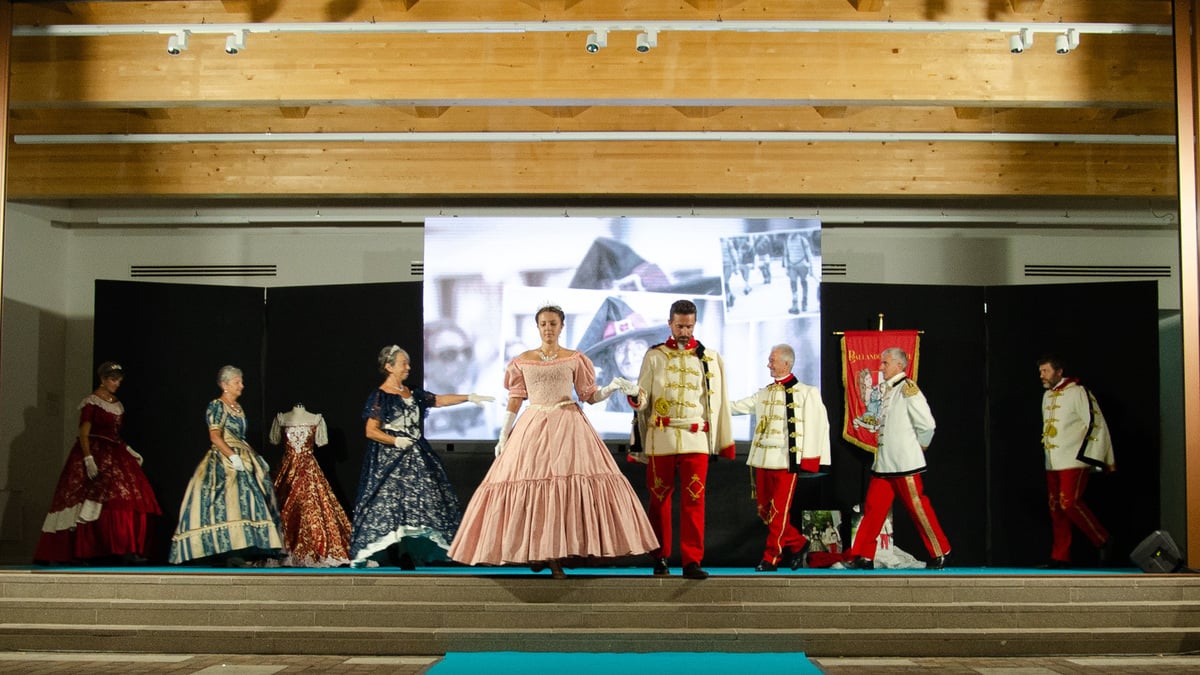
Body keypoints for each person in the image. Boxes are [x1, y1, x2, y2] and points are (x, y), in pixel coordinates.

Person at [448, 305, 658, 578]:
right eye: (544, 324)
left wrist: (611, 388)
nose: (548, 328)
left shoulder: (575, 358)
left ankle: (556, 555)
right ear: (538, 327)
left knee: (563, 486)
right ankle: (538, 551)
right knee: (533, 485)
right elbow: (515, 398)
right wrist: (503, 434)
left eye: (553, 324)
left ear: (561, 326)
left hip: (568, 425)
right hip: (533, 427)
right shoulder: (523, 360)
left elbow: (589, 395)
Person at [350, 345, 493, 569]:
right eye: (403, 363)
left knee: (423, 501)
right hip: (390, 461)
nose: (408, 367)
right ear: (389, 367)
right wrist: (395, 441)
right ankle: (382, 553)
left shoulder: (413, 393)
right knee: (389, 504)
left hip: (417, 457)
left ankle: (409, 552)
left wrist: (468, 397)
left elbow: (438, 400)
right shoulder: (381, 396)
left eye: (408, 363)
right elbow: (371, 430)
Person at [628, 299, 735, 580]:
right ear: (670, 324)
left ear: (694, 324)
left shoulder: (709, 358)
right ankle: (660, 557)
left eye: (689, 326)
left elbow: (718, 402)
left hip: (695, 439)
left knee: (694, 499)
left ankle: (692, 561)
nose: (684, 331)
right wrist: (635, 397)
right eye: (679, 326)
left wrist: (720, 439)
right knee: (659, 500)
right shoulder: (654, 356)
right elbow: (643, 398)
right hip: (661, 438)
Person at [34, 361, 161, 565]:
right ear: (103, 379)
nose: (117, 383)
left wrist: (129, 450)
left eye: (119, 380)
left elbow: (115, 435)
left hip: (114, 452)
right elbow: (84, 433)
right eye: (113, 379)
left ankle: (124, 548)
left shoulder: (117, 404)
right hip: (94, 451)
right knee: (84, 497)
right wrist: (88, 458)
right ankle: (79, 551)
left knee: (127, 496)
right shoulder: (92, 402)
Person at [844, 347, 951, 570]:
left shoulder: (907, 389)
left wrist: (917, 449)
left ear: (899, 365)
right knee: (873, 511)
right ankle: (863, 555)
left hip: (904, 464)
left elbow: (927, 425)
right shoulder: (889, 390)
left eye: (885, 363)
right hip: (884, 464)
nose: (881, 367)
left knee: (918, 509)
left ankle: (941, 551)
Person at [169, 365, 285, 566]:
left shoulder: (238, 408)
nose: (242, 386)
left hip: (243, 454)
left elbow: (240, 437)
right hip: (225, 457)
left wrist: (254, 456)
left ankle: (244, 549)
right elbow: (215, 436)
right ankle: (229, 551)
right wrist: (233, 457)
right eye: (237, 382)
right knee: (229, 501)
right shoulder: (217, 405)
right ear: (225, 384)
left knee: (250, 499)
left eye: (241, 381)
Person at [729, 344, 830, 572]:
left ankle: (771, 557)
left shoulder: (806, 393)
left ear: (786, 363)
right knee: (765, 511)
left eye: (772, 360)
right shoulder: (764, 393)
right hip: (763, 460)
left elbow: (818, 427)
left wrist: (811, 459)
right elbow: (737, 407)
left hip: (786, 462)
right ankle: (799, 543)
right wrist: (712, 404)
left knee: (778, 513)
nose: (768, 365)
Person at [1037, 356, 1115, 568]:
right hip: (1053, 461)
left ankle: (1102, 539)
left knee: (1069, 503)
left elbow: (1095, 422)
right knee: (1056, 508)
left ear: (1059, 371)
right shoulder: (1047, 396)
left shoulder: (1078, 392)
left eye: (1045, 371)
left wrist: (1099, 455)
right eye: (1041, 371)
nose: (1042, 375)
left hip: (1073, 459)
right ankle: (1060, 556)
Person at [269, 404, 352, 567]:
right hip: (288, 470)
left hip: (309, 469)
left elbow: (322, 442)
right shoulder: (282, 418)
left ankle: (316, 547)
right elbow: (275, 439)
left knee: (314, 507)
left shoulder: (316, 419)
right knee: (284, 506)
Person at [575, 297, 660, 413]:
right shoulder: (599, 402)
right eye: (621, 349)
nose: (630, 357)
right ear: (611, 358)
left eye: (638, 346)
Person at [783, 231, 815, 315]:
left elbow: (809, 255)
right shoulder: (788, 240)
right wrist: (786, 267)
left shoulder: (802, 240)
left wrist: (811, 268)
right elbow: (786, 254)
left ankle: (804, 303)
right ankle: (795, 305)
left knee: (803, 283)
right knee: (793, 285)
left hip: (802, 265)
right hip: (792, 266)